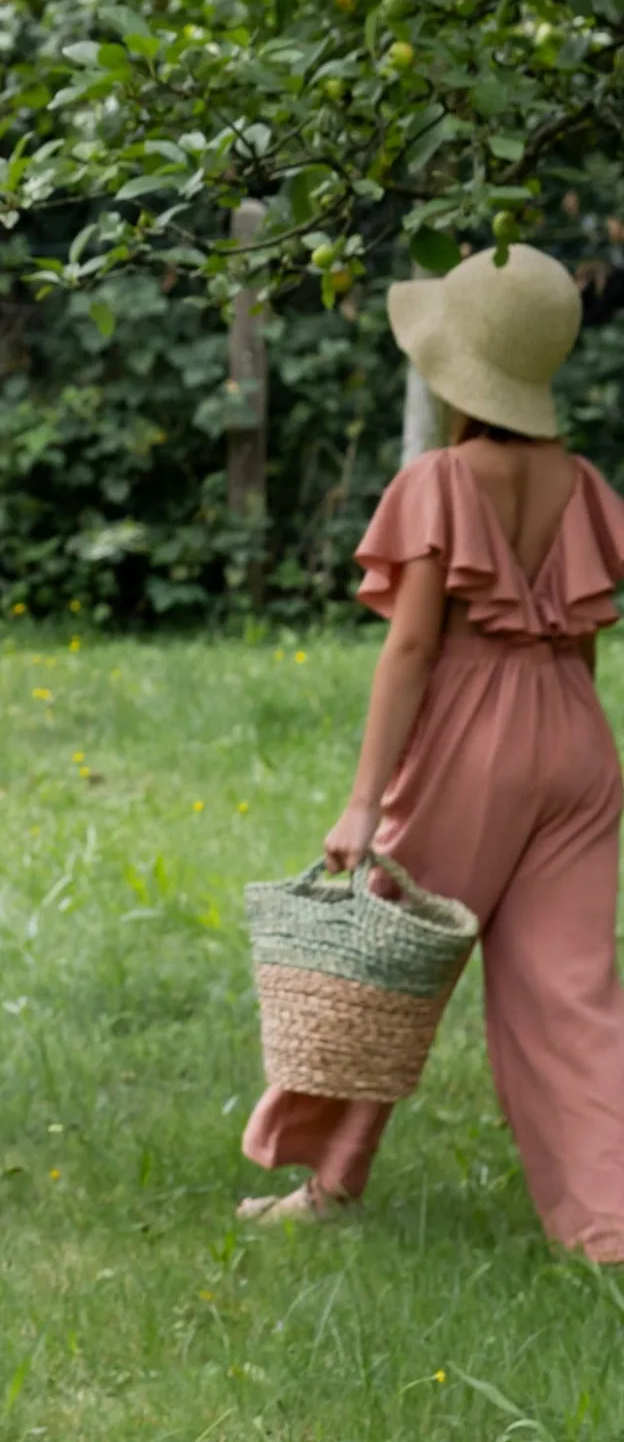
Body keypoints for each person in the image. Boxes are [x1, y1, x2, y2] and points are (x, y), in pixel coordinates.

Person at [240, 241, 624, 1255]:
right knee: (571, 991)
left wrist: (362, 804)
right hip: (577, 741)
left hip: (471, 742)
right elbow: (579, 632)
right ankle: (607, 1223)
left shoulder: (440, 480)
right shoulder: (581, 483)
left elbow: (410, 646)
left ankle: (324, 1186)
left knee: (378, 971)